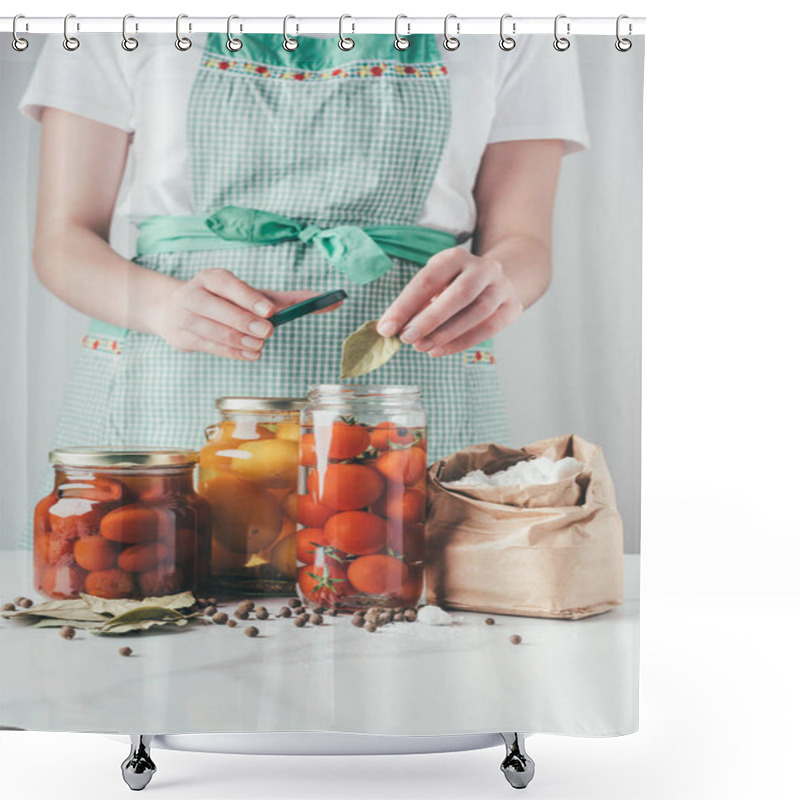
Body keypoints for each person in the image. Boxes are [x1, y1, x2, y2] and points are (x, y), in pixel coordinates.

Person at [20, 31, 587, 466]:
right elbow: (63, 239)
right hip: (166, 387)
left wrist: (496, 284)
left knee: (400, 591)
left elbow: (524, 242)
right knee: (143, 571)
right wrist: (162, 308)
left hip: (409, 394)